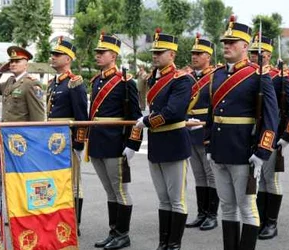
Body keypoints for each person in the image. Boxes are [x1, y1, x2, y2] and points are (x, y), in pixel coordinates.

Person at [204, 16, 279, 250]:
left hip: (244, 150)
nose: (227, 45)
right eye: (225, 41)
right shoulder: (216, 75)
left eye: (233, 42)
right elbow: (211, 113)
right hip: (219, 149)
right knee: (227, 206)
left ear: (245, 46)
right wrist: (208, 144)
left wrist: (262, 150)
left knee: (247, 207)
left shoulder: (258, 75)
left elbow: (271, 117)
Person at [135, 28, 195, 250]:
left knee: (177, 198)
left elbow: (174, 112)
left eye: (160, 52)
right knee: (163, 198)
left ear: (172, 55)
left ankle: (174, 244)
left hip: (174, 141)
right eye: (154, 52)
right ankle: (163, 243)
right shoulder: (152, 78)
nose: (155, 56)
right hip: (157, 143)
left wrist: (147, 122)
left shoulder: (181, 80)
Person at [88, 32, 143, 250]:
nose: (98, 56)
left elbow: (135, 116)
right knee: (110, 191)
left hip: (115, 143)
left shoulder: (125, 81)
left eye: (102, 52)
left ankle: (123, 234)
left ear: (114, 55)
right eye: (97, 52)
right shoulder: (96, 80)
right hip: (98, 142)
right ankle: (113, 232)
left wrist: (132, 145)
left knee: (120, 190)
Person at [249, 35, 289, 240]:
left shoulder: (279, 77)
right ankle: (259, 219)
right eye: (252, 52)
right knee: (258, 181)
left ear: (268, 55)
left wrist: (287, 135)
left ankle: (271, 222)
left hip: (272, 134)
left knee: (271, 180)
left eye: (259, 53)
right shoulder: (247, 76)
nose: (254, 56)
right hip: (251, 134)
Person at [47, 37, 88, 234]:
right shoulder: (52, 83)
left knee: (73, 183)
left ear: (68, 59)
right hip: (51, 140)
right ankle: (59, 218)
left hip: (68, 138)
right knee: (56, 181)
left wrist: (78, 143)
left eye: (58, 55)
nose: (53, 57)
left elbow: (82, 116)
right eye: (53, 54)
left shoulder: (74, 83)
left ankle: (74, 223)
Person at [185, 34, 219, 231]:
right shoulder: (188, 78)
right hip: (190, 129)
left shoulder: (214, 77)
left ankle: (212, 214)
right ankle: (201, 213)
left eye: (199, 54)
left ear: (208, 56)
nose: (194, 57)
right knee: (198, 174)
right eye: (193, 54)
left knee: (210, 173)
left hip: (206, 129)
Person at [0, 46, 45, 122]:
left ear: (26, 65)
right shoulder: (9, 81)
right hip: (5, 130)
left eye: (17, 61)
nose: (13, 64)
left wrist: (35, 132)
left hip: (21, 132)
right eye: (11, 61)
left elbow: (38, 114)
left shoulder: (32, 83)